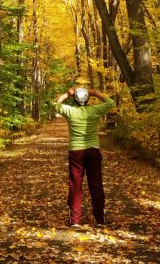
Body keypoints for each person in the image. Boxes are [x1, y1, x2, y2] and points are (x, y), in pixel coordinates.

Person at [54, 87, 116, 227]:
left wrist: (66, 94)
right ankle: (100, 219)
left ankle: (75, 220)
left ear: (75, 99)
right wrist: (95, 92)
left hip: (76, 151)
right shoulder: (95, 110)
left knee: (75, 185)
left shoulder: (71, 111)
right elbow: (111, 103)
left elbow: (56, 105)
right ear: (88, 98)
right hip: (93, 151)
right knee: (96, 184)